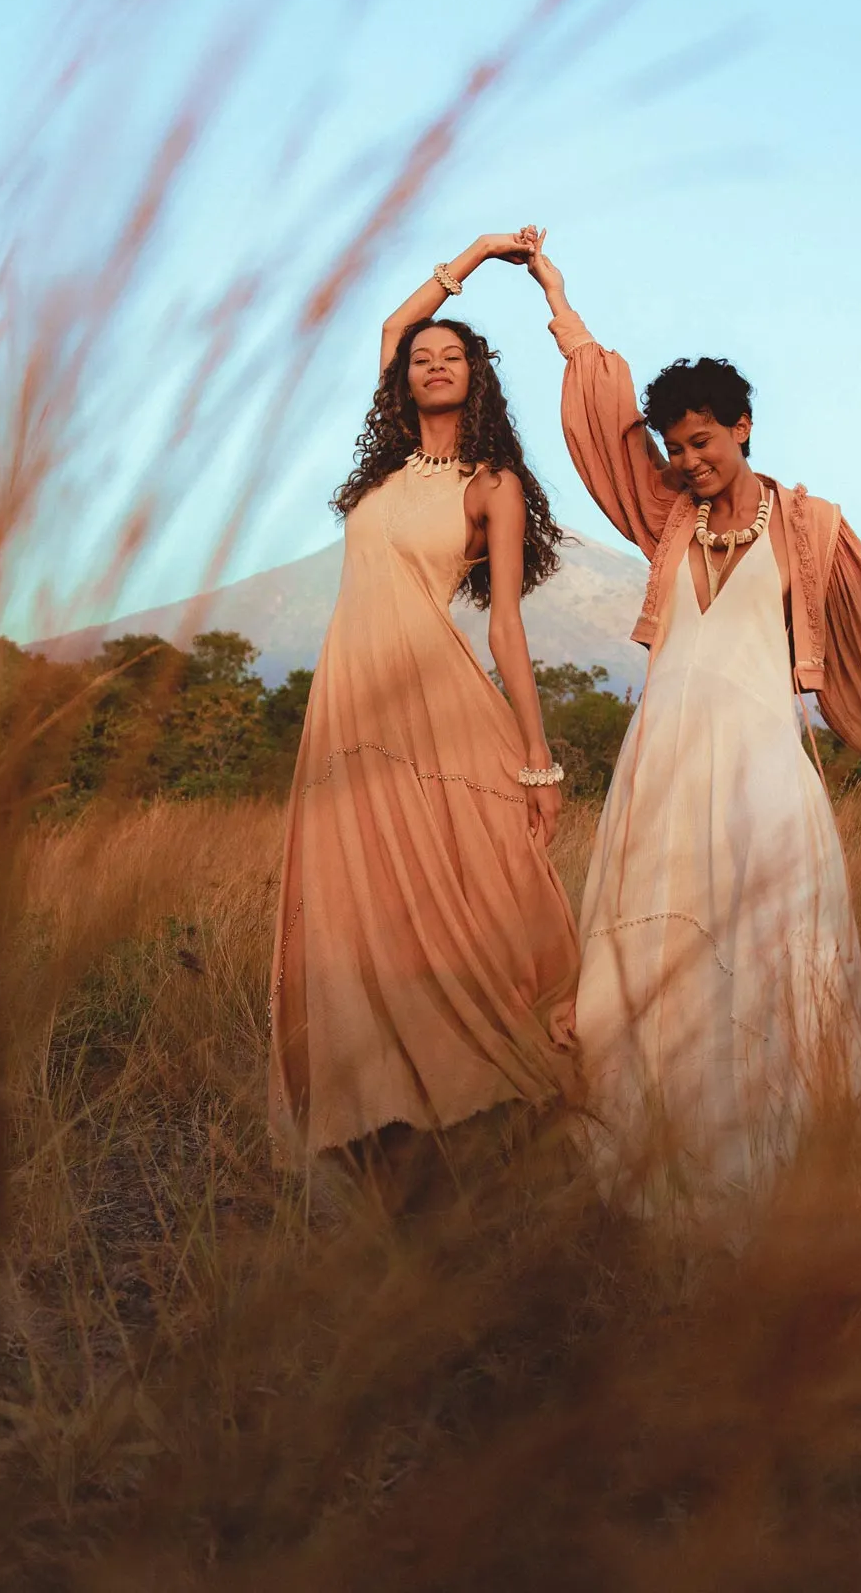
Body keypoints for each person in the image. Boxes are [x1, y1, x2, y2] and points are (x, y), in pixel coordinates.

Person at [521, 228, 861, 1216]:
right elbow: (604, 417)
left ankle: (794, 1184)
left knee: (770, 956)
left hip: (764, 776)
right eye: (677, 446)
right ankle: (667, 1169)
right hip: (664, 772)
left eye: (704, 441)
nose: (688, 461)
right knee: (655, 953)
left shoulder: (810, 529)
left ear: (743, 427)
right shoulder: (664, 517)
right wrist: (557, 299)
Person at [268, 235, 579, 1159]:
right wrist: (478, 254)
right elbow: (393, 321)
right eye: (421, 360)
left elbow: (506, 628)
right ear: (403, 381)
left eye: (451, 356)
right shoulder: (387, 469)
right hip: (348, 700)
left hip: (433, 698)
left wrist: (538, 757)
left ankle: (493, 1097)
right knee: (360, 897)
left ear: (476, 376)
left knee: (458, 888)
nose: (431, 363)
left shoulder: (494, 486)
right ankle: (383, 1111)